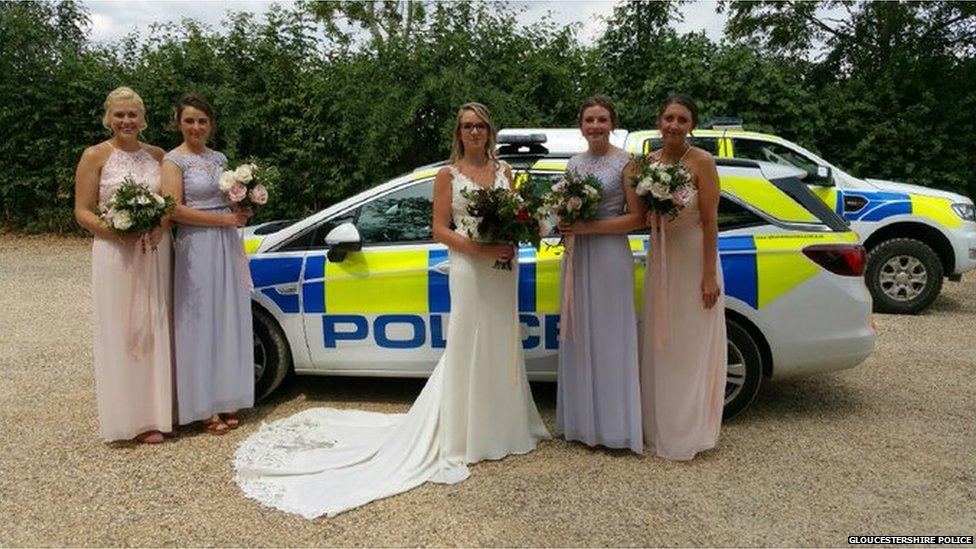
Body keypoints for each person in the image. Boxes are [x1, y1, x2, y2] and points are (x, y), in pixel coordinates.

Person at [233, 102, 549, 519]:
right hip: (470, 266)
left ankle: (502, 426)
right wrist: (480, 248)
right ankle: (465, 434)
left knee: (499, 341)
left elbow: (517, 217)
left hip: (502, 269)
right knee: (467, 342)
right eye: (467, 126)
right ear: (459, 132)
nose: (474, 132)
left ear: (490, 130)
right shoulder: (446, 175)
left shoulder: (505, 172)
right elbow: (439, 229)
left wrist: (513, 237)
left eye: (481, 125)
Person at [74, 86, 173, 444]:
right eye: (120, 114)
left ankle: (157, 414)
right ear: (108, 118)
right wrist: (117, 232)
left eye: (132, 114)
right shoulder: (95, 155)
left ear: (143, 119)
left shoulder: (159, 155)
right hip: (115, 253)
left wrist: (159, 227)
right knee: (121, 329)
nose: (126, 121)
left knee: (156, 326)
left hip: (155, 251)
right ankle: (125, 417)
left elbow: (169, 204)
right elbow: (82, 210)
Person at [554, 95, 644, 453]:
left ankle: (615, 427)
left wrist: (589, 227)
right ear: (581, 125)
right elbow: (563, 210)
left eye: (602, 120)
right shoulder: (573, 163)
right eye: (589, 120)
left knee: (610, 335)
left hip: (608, 255)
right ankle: (583, 424)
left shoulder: (627, 163)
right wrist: (563, 221)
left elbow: (637, 218)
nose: (595, 126)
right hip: (577, 255)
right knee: (580, 333)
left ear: (612, 124)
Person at [160, 93, 253, 435]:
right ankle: (202, 403)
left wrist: (242, 208)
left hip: (226, 244)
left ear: (211, 125)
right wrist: (224, 221)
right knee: (199, 320)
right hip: (195, 245)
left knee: (227, 315)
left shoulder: (220, 158)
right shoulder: (173, 161)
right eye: (189, 120)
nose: (196, 127)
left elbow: (229, 197)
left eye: (202, 121)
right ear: (178, 123)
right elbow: (174, 210)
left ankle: (227, 395)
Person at [640, 94, 726, 460]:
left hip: (693, 259)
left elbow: (710, 222)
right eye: (669, 118)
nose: (674, 125)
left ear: (692, 125)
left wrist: (708, 276)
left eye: (682, 119)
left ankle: (689, 431)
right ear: (659, 121)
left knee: (690, 346)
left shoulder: (702, 162)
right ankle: (658, 426)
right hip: (659, 255)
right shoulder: (647, 163)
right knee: (661, 343)